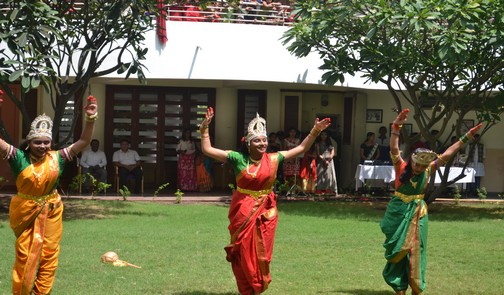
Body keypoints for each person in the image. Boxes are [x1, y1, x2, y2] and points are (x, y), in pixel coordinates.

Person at [199, 108, 330, 295]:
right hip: (242, 211)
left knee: (262, 256)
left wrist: (315, 131)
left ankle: (257, 287)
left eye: (264, 140)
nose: (263, 143)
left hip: (266, 214)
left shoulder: (274, 159)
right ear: (248, 143)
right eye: (258, 140)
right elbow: (208, 149)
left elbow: (301, 149)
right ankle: (247, 288)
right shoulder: (238, 159)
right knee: (243, 251)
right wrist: (204, 128)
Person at [0, 91, 98, 295]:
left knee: (49, 256)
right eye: (38, 142)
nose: (43, 146)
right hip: (26, 212)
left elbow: (84, 141)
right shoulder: (18, 158)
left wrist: (90, 119)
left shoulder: (58, 158)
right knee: (25, 256)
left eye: (46, 142)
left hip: (52, 211)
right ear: (29, 143)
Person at [380, 109, 482, 295]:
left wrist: (467, 136)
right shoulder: (400, 167)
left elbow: (448, 153)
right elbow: (394, 148)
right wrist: (396, 127)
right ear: (411, 161)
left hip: (418, 213)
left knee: (417, 249)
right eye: (417, 164)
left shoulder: (427, 170)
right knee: (398, 249)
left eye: (422, 165)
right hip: (398, 212)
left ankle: (416, 288)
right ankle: (399, 288)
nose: (419, 168)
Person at [315, 130, 338, 195]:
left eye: (325, 134)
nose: (323, 136)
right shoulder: (318, 143)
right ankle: (320, 189)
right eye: (322, 134)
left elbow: (332, 152)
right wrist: (324, 160)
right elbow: (318, 153)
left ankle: (328, 189)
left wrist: (328, 160)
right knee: (320, 174)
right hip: (321, 160)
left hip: (329, 160)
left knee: (329, 174)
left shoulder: (330, 143)